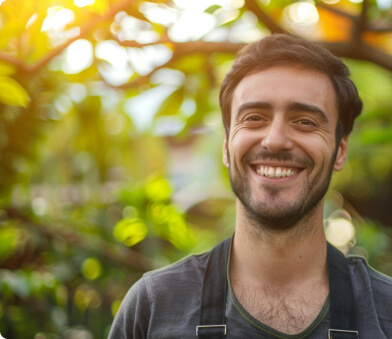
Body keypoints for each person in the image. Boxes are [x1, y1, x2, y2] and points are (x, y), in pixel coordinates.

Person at [108, 34, 392, 339]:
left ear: (341, 151)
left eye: (305, 121)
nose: (275, 140)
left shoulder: (386, 311)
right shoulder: (153, 307)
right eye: (255, 118)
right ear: (226, 148)